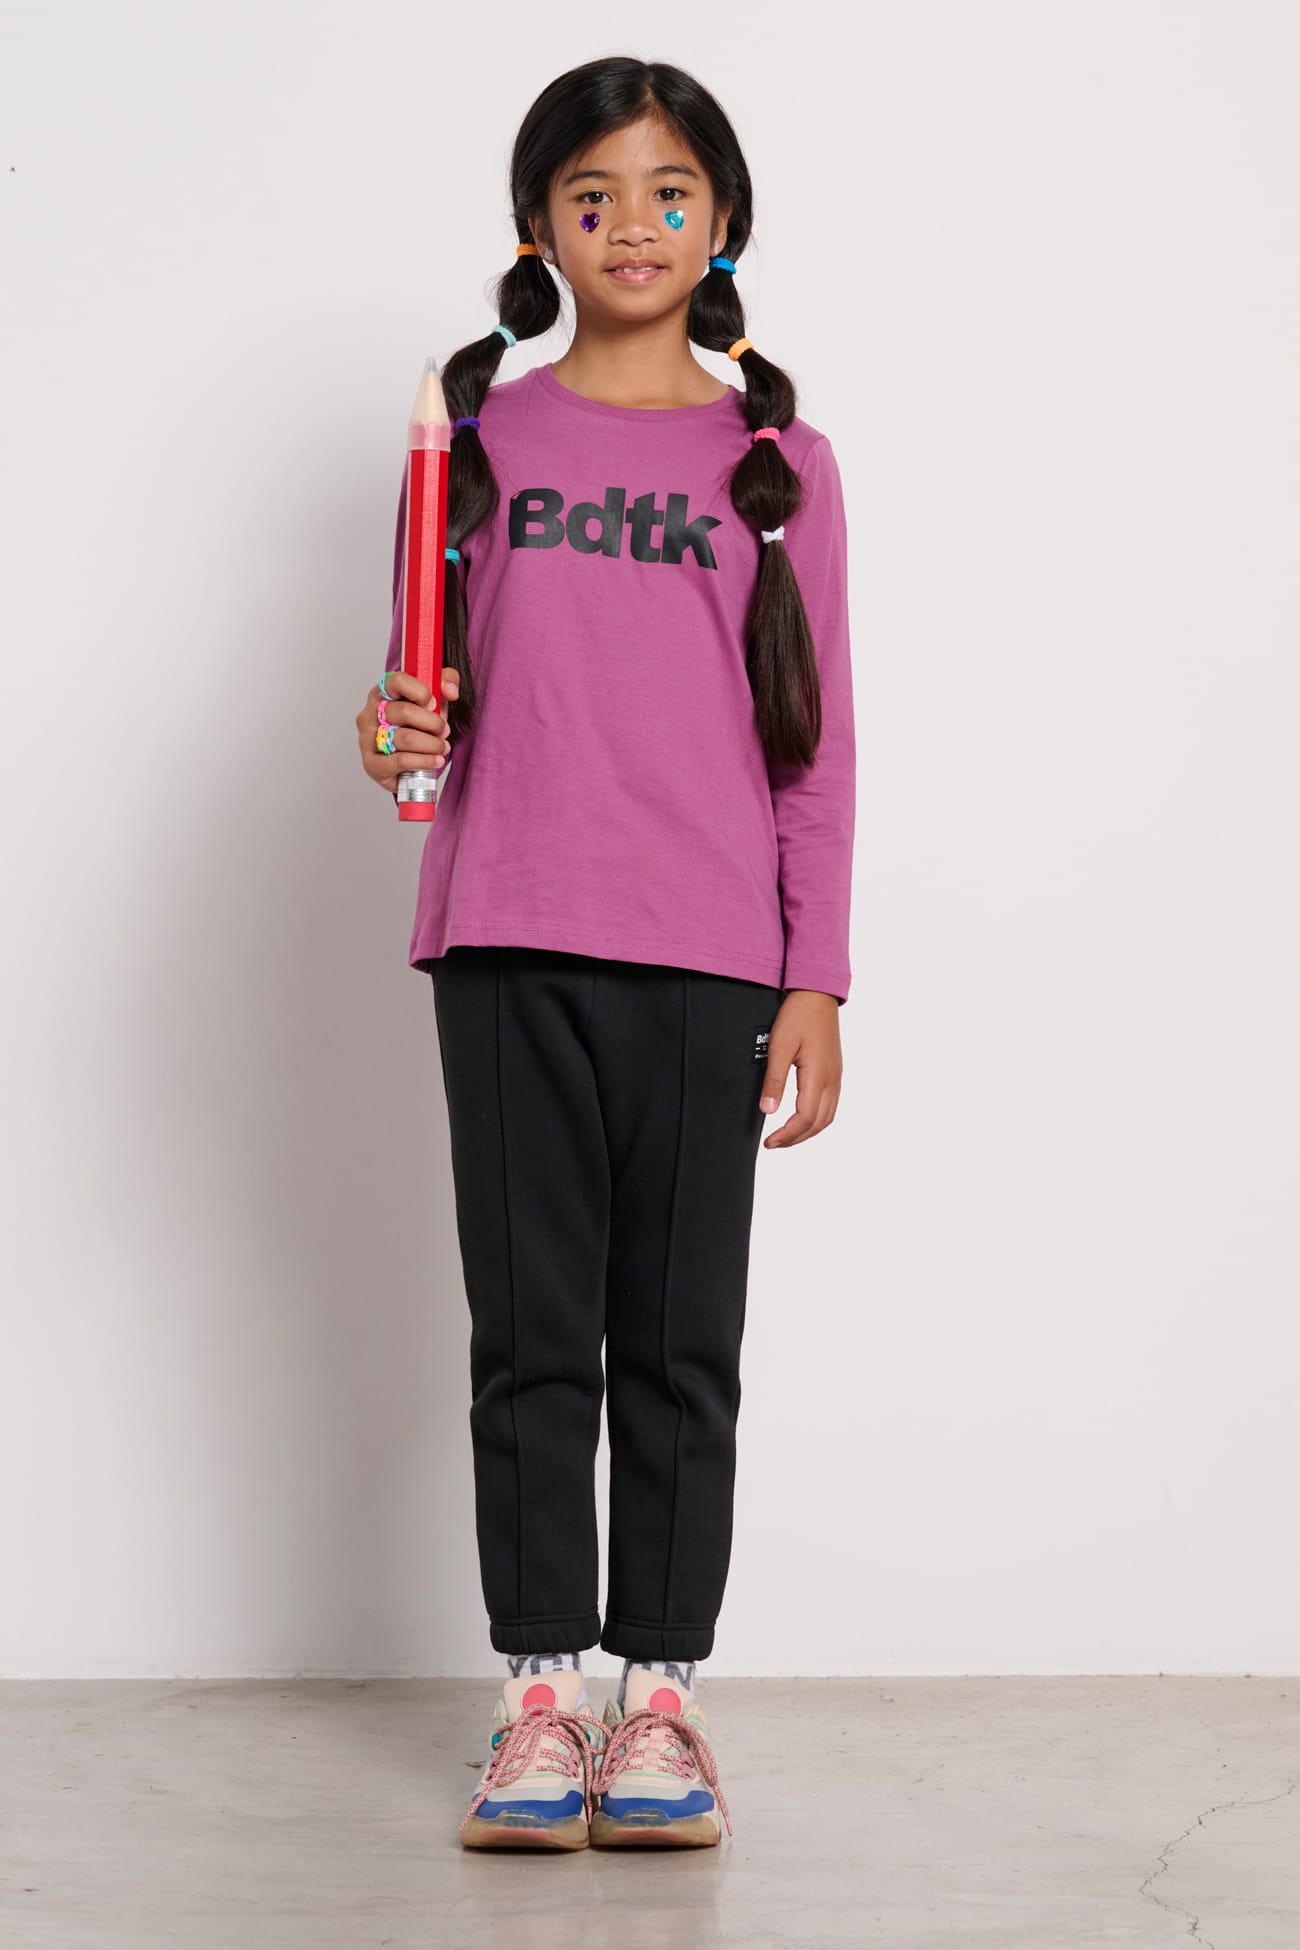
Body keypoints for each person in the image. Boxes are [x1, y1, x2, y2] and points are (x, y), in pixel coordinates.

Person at [355, 55, 856, 1852]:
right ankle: (538, 1696)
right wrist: (388, 730)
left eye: (666, 193)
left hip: (710, 958)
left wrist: (815, 974)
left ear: (722, 223)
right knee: (530, 1341)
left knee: (680, 1341)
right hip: (505, 936)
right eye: (591, 196)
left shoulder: (781, 467)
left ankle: (659, 1701)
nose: (630, 225)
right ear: (537, 227)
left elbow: (815, 747)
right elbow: (418, 692)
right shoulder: (476, 445)